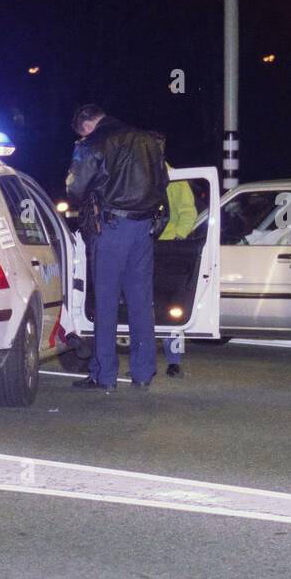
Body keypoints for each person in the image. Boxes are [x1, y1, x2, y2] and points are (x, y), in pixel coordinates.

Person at [65, 103, 168, 390]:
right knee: (140, 303)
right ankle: (144, 373)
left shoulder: (94, 142)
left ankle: (104, 375)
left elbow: (74, 187)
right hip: (144, 227)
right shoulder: (149, 140)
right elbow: (163, 182)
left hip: (111, 228)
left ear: (86, 125)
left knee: (106, 303)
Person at [153, 134, 198, 378]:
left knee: (173, 308)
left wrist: (176, 238)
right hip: (147, 248)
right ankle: (147, 360)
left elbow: (188, 212)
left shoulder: (175, 178)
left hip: (168, 249)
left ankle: (173, 361)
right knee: (147, 307)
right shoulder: (142, 176)